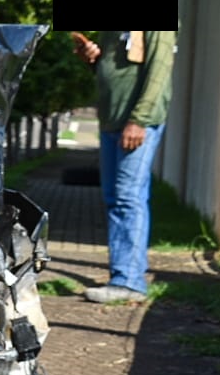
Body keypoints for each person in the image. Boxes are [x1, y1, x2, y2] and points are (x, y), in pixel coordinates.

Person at [71, 29, 177, 304]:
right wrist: (94, 58)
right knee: (116, 198)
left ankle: (128, 282)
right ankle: (129, 274)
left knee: (127, 198)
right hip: (112, 120)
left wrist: (139, 120)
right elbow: (115, 69)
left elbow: (159, 71)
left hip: (136, 123)